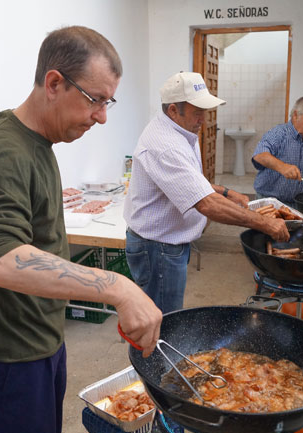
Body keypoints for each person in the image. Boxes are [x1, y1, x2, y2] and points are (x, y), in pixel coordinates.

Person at [0, 26, 162, 433]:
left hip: (33, 339)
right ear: (54, 83)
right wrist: (117, 287)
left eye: (107, 102)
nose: (101, 116)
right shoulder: (5, 151)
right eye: (95, 100)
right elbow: (2, 259)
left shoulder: (36, 144)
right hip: (8, 353)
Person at [123, 72, 290, 314]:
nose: (204, 118)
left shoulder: (182, 130)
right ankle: (154, 353)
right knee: (160, 321)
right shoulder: (166, 145)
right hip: (157, 248)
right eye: (197, 111)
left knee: (165, 316)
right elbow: (206, 205)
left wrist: (226, 192)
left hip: (168, 244)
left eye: (205, 110)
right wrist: (263, 223)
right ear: (173, 110)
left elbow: (189, 181)